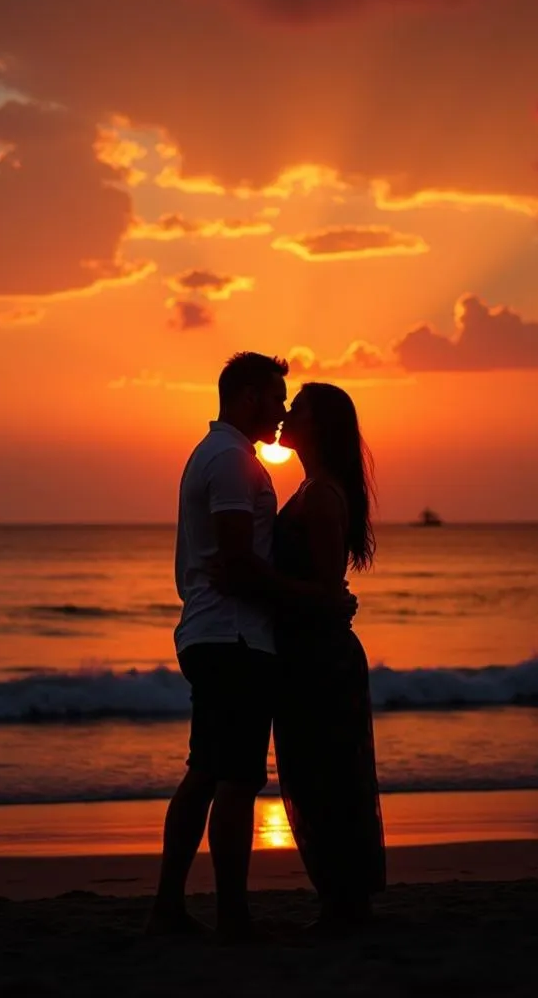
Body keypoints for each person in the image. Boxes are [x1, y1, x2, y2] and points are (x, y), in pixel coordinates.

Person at [148, 353, 354, 941]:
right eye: (275, 396)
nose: (283, 408)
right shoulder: (234, 462)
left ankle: (171, 908)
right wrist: (317, 597)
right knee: (234, 780)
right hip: (232, 637)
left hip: (219, 634)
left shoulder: (220, 456)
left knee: (210, 772)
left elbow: (236, 561)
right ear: (246, 399)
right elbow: (237, 564)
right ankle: (228, 916)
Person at [270, 382, 386, 933]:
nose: (287, 412)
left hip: (319, 656)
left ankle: (344, 904)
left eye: (299, 408)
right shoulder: (313, 488)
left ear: (318, 425)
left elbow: (322, 590)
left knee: (325, 778)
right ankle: (341, 901)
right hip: (309, 653)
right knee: (319, 775)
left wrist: (251, 577)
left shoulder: (319, 495)